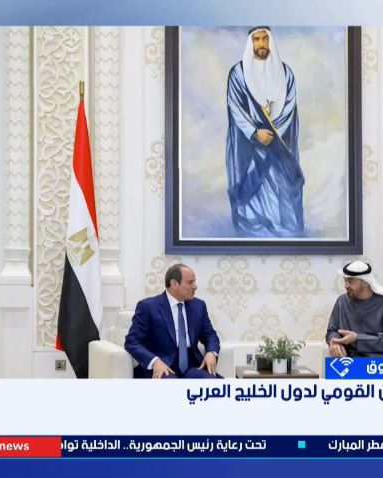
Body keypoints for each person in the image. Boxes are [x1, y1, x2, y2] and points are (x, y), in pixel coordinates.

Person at [225, 26, 304, 237]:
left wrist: (274, 132)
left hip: (279, 140)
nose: (261, 44)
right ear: (251, 43)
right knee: (253, 180)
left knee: (280, 179)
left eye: (265, 39)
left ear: (271, 41)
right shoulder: (238, 74)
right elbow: (236, 108)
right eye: (257, 39)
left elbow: (289, 105)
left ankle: (283, 225)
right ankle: (252, 226)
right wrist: (254, 132)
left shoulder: (285, 73)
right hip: (251, 144)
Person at [124, 264, 221, 378]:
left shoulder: (199, 306)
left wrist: (211, 352)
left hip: (193, 366)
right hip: (162, 365)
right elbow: (132, 342)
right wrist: (154, 361)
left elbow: (210, 335)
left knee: (213, 384)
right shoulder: (148, 307)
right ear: (174, 284)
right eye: (190, 282)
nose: (195, 286)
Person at [326, 261, 383, 358]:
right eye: (345, 280)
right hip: (355, 358)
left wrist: (357, 339)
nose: (346, 285)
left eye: (350, 281)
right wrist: (335, 342)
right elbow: (332, 331)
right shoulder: (342, 301)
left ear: (366, 282)